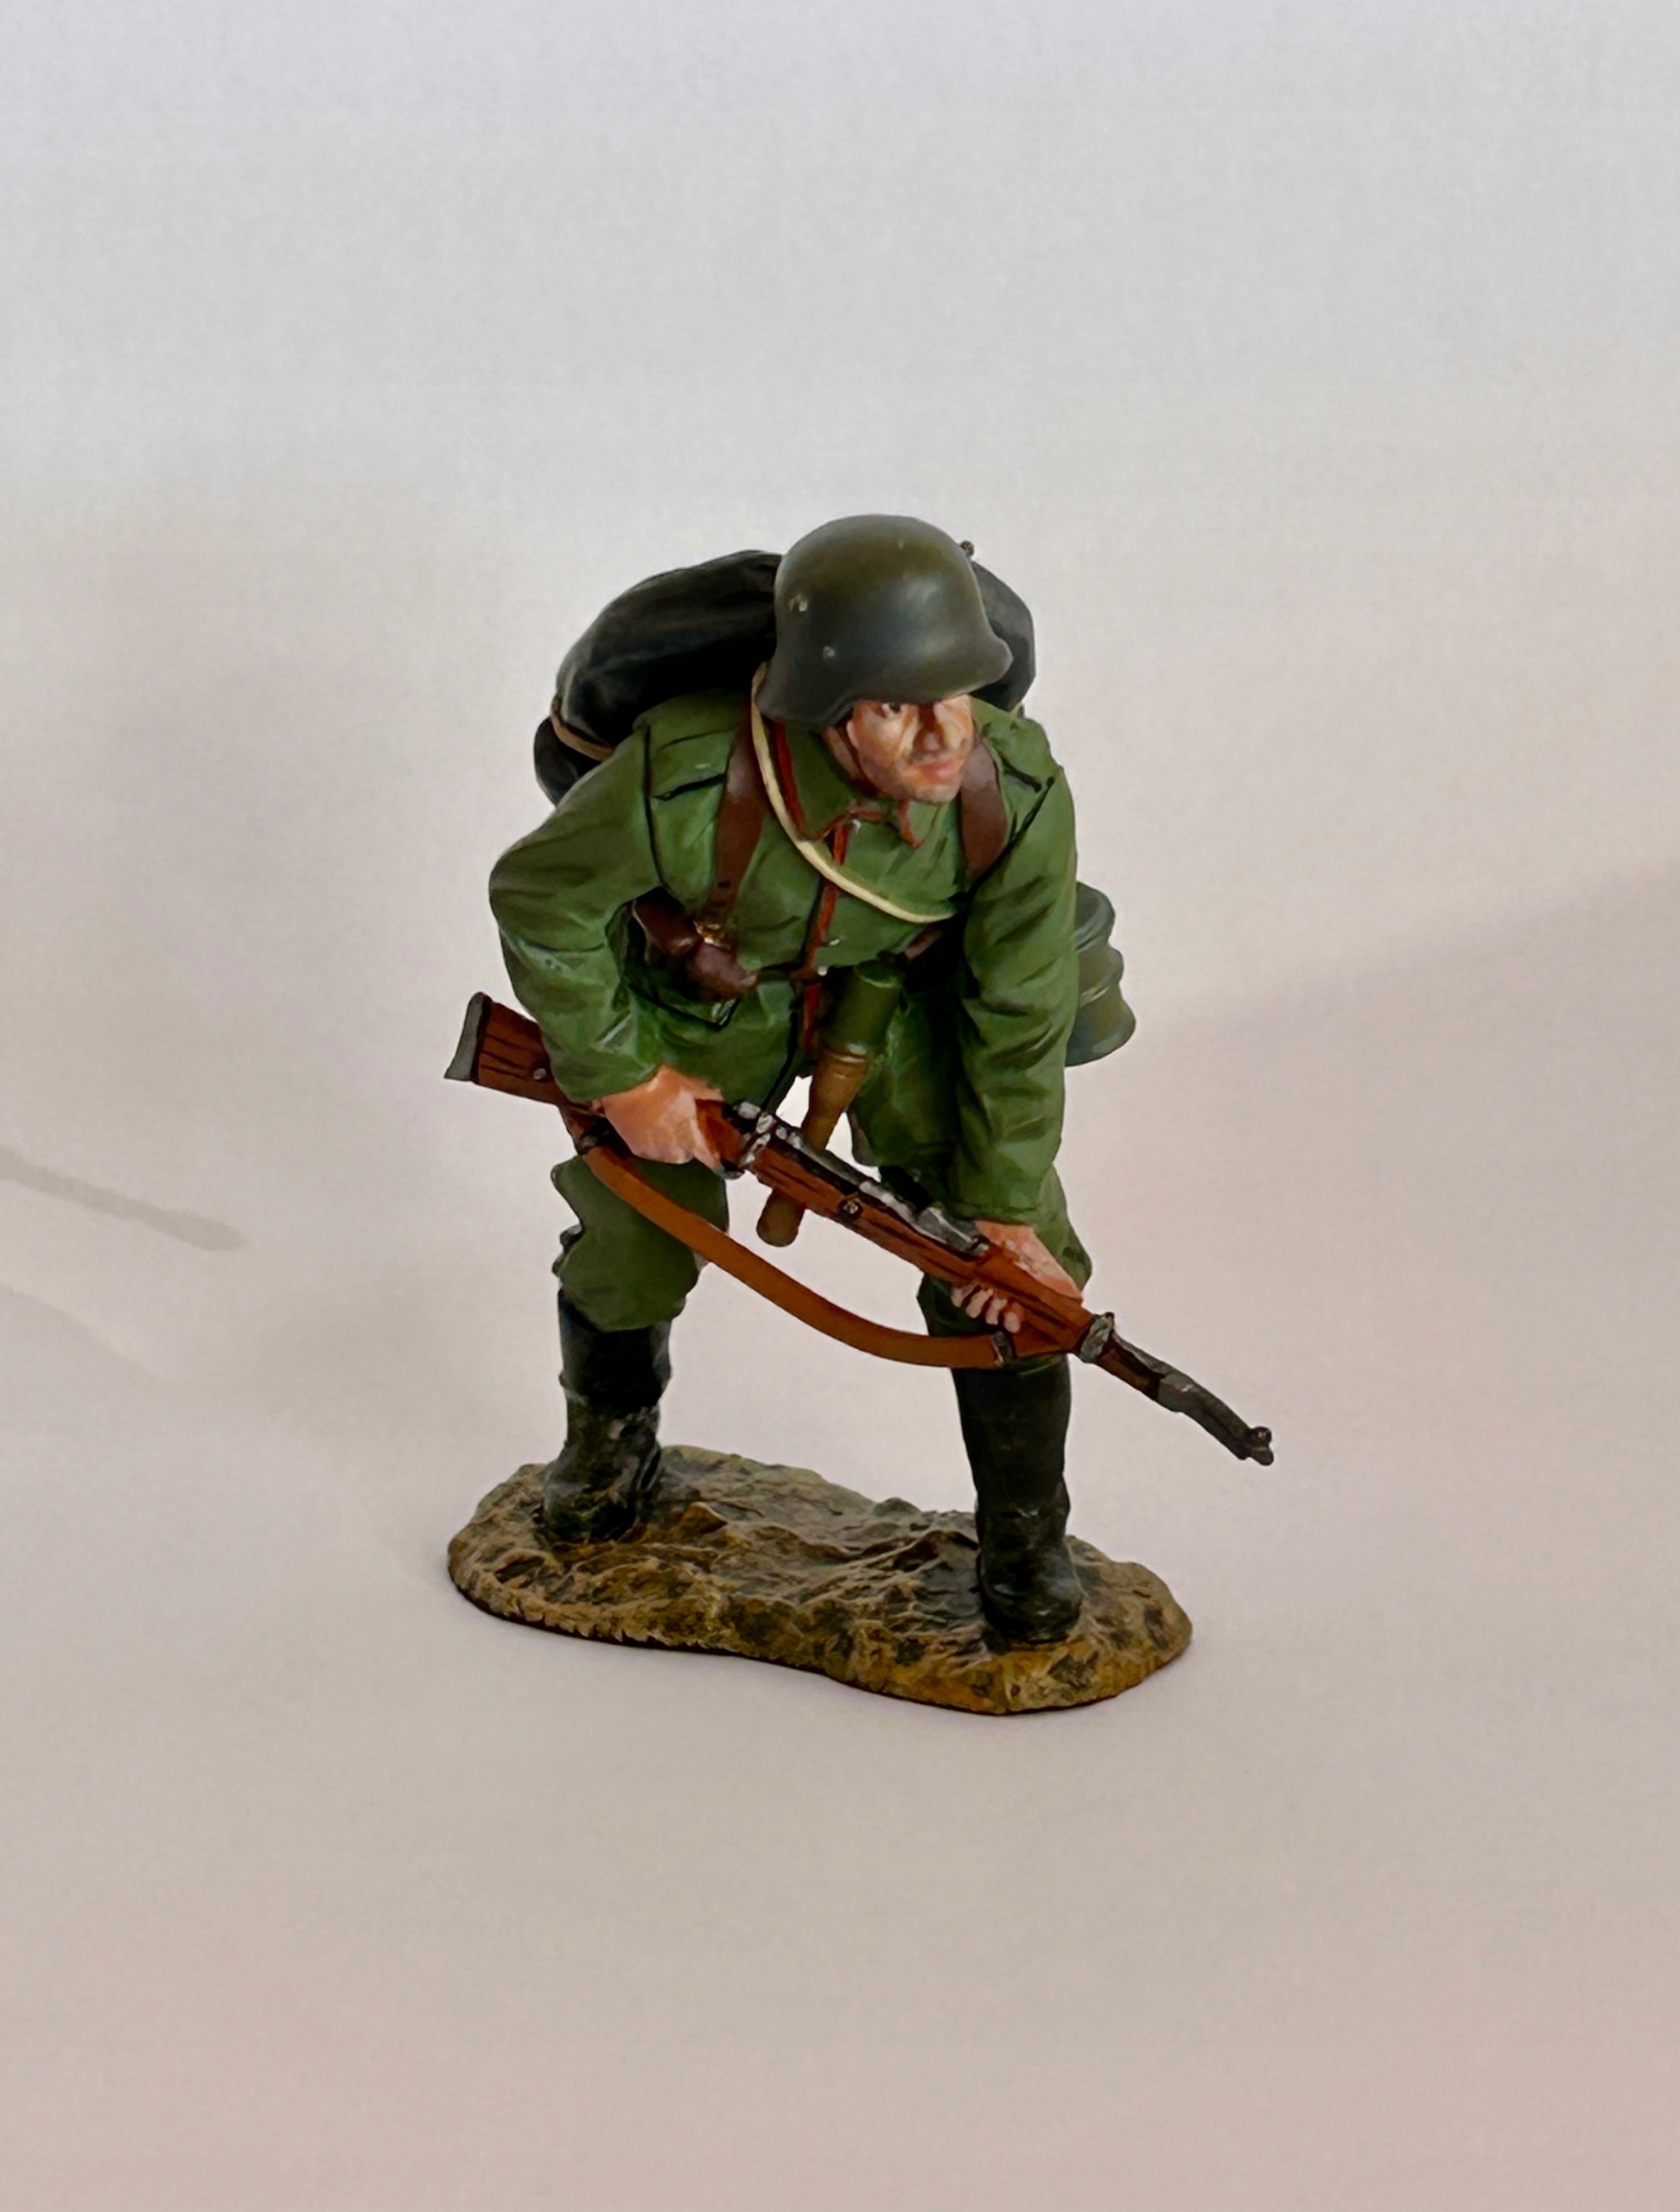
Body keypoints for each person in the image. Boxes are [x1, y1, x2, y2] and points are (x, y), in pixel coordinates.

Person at [489, 514, 1096, 1644]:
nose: (942, 732)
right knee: (635, 1235)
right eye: (896, 707)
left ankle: (1026, 1533)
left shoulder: (1012, 791)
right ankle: (609, 1451)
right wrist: (622, 1074)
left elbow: (1020, 1008)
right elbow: (542, 899)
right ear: (826, 707)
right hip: (705, 1011)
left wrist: (1006, 1208)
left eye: (956, 694)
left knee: (1012, 1276)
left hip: (902, 1011)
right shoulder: (687, 775)